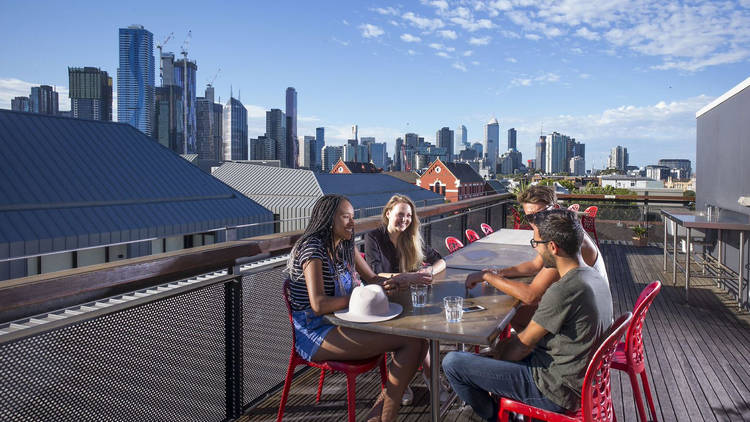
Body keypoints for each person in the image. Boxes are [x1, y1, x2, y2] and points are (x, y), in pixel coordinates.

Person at [443, 209, 614, 421]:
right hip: (578, 379)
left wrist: (496, 358)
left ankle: (499, 417)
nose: (536, 251)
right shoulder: (593, 277)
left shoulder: (564, 290)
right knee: (494, 352)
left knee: (453, 363)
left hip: (554, 390)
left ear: (553, 247)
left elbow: (521, 346)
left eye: (536, 244)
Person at [287, 194, 426, 422]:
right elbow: (319, 304)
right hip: (317, 332)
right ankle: (386, 417)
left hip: (347, 321)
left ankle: (377, 414)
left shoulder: (344, 245)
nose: (353, 223)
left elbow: (372, 278)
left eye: (353, 217)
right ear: (328, 219)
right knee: (411, 342)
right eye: (346, 217)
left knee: (418, 339)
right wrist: (359, 296)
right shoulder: (312, 249)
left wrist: (400, 280)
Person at [465, 185, 608, 329]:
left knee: (512, 313)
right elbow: (535, 266)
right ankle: (523, 347)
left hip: (587, 327)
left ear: (555, 207)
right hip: (589, 314)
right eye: (530, 217)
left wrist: (487, 276)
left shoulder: (565, 239)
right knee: (515, 313)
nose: (536, 221)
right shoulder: (564, 228)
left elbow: (531, 296)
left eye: (541, 214)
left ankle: (529, 349)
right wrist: (499, 273)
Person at [365, 194, 448, 405]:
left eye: (409, 215)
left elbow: (441, 261)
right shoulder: (374, 237)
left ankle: (408, 380)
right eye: (400, 214)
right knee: (418, 333)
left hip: (409, 297)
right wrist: (410, 277)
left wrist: (429, 270)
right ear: (388, 214)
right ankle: (426, 378)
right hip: (383, 299)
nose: (405, 219)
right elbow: (375, 276)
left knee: (424, 327)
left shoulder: (410, 237)